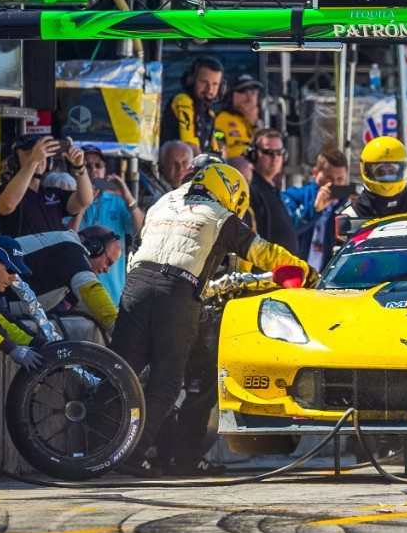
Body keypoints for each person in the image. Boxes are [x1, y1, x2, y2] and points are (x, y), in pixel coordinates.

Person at [110, 162, 315, 477]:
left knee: (121, 371)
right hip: (176, 294)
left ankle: (98, 444)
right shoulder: (221, 217)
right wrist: (305, 272)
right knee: (167, 381)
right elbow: (265, 253)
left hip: (135, 285)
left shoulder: (161, 204)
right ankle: (133, 454)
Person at [16, 227, 121, 340]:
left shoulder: (67, 251)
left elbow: (88, 306)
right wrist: (122, 332)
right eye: (108, 262)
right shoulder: (72, 249)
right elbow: (91, 291)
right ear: (95, 247)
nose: (106, 270)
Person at [0, 134, 92, 236]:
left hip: (58, 250)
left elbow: (84, 200)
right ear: (14, 161)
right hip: (26, 251)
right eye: (29, 153)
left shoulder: (51, 193)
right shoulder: (1, 191)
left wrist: (79, 166)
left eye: (43, 155)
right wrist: (33, 161)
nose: (40, 159)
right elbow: (7, 205)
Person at [79, 145, 143, 303]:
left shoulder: (117, 202)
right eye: (87, 165)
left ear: (105, 170)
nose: (93, 170)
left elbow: (142, 231)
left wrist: (129, 199)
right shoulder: (72, 202)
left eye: (98, 165)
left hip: (112, 294)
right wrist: (83, 202)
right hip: (78, 294)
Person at [0, 236, 42, 371]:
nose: (13, 277)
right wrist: (13, 349)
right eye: (10, 270)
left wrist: (37, 342)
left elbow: (3, 318)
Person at [282, 146, 350, 269]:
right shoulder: (294, 196)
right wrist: (314, 210)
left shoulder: (347, 206)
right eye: (329, 178)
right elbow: (285, 231)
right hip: (294, 275)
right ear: (315, 173)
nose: (333, 184)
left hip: (327, 280)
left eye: (340, 179)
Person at [242, 129, 299, 256]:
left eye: (279, 153)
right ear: (253, 155)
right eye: (268, 152)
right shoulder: (251, 189)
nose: (275, 158)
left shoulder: (271, 189)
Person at [343, 137, 407, 219]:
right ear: (366, 171)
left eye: (392, 171)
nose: (387, 175)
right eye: (380, 172)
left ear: (403, 169)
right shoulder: (351, 215)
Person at [160, 56, 224, 154]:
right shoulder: (183, 101)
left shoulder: (210, 114)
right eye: (204, 82)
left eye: (215, 84)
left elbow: (216, 152)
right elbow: (191, 148)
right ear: (191, 80)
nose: (209, 90)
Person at [214, 74, 265, 159]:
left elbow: (267, 149)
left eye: (253, 92)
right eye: (243, 91)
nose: (249, 98)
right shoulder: (221, 119)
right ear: (230, 96)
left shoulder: (258, 122)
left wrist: (254, 124)